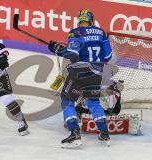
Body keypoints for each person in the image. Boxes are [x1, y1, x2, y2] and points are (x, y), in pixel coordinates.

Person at [48, 9, 112, 148]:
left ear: (80, 20)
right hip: (97, 73)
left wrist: (57, 49)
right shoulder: (101, 32)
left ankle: (75, 135)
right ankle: (104, 134)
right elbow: (108, 57)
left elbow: (72, 55)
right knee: (94, 102)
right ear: (91, 20)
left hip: (80, 72)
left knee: (67, 99)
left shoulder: (75, 32)